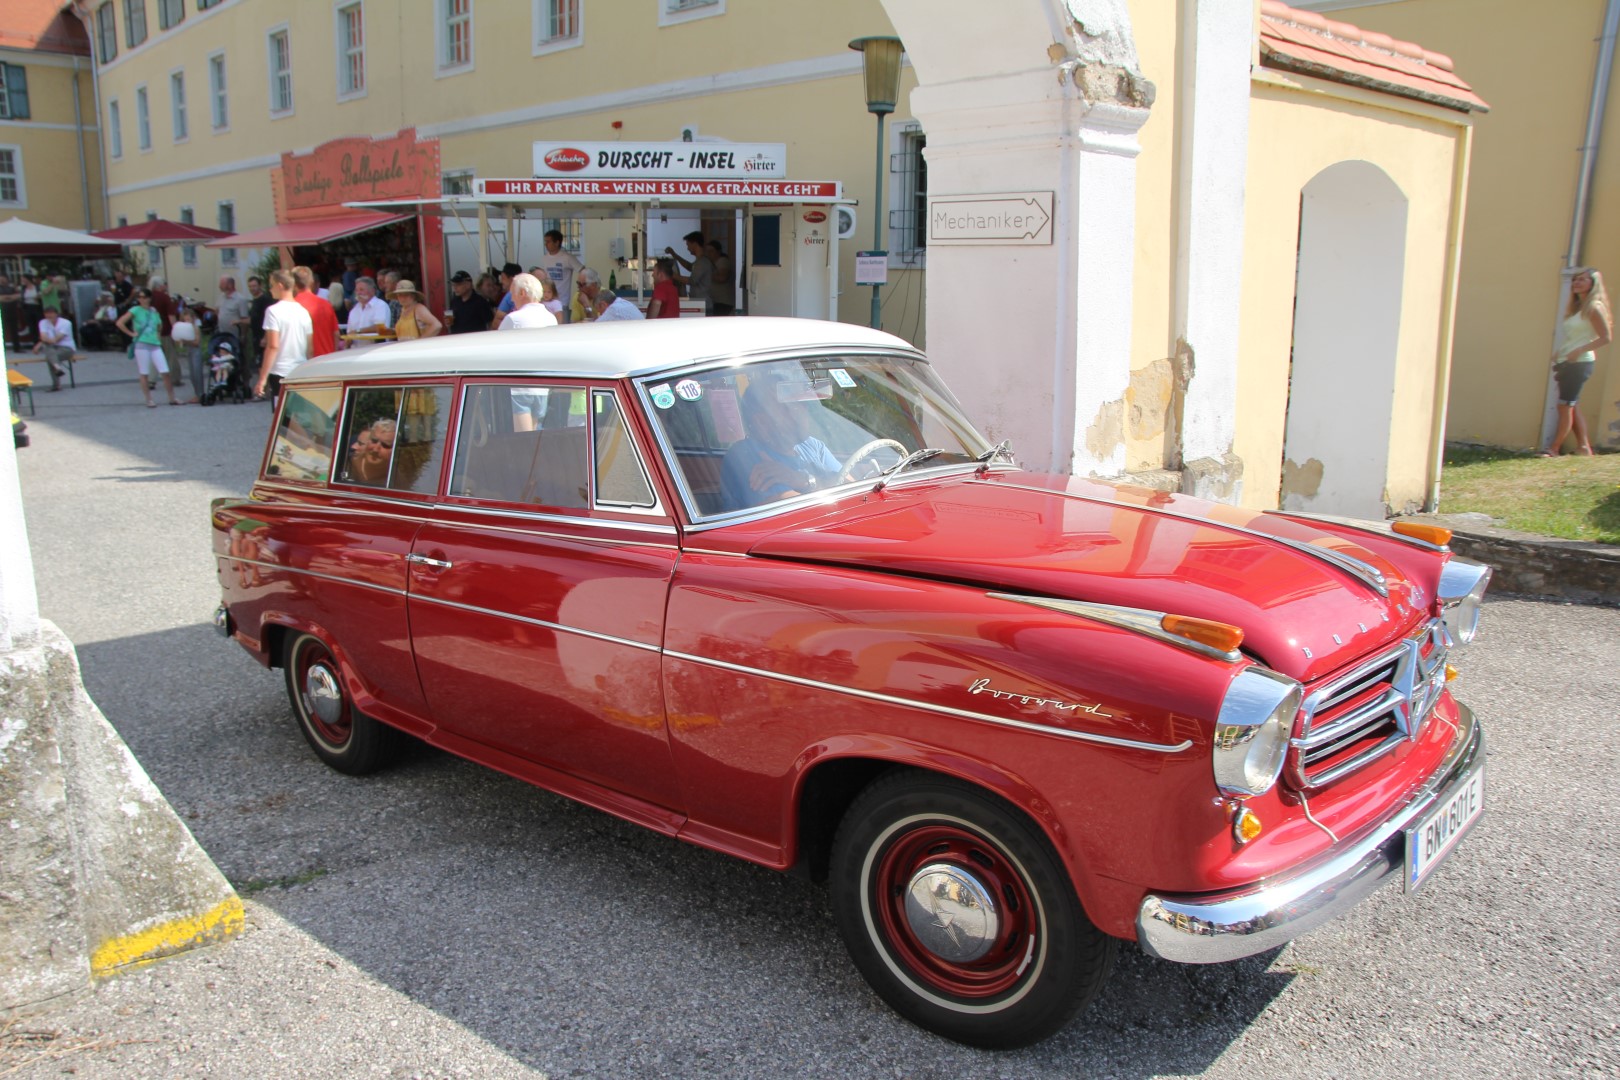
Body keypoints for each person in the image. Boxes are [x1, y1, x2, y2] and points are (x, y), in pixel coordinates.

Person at [720, 374, 844, 508]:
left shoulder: (812, 445)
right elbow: (802, 513)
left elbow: (848, 482)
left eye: (799, 403)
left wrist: (804, 481)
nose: (801, 410)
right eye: (787, 407)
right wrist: (823, 483)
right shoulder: (745, 456)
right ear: (761, 421)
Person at [1540, 267, 1613, 457]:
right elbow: (1576, 336)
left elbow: (1606, 337)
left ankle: (1554, 449)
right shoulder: (1577, 308)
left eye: (1582, 279)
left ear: (1593, 284)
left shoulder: (1594, 307)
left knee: (1564, 406)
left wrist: (1579, 351)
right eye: (1575, 280)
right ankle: (1583, 447)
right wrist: (1561, 352)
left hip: (1580, 363)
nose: (1577, 283)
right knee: (1572, 404)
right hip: (1567, 361)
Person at [254, 269, 314, 400]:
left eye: (271, 285)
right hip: (300, 370)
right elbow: (310, 349)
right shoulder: (303, 312)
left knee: (281, 415)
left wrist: (262, 379)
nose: (270, 289)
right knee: (298, 415)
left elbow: (273, 346)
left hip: (281, 371)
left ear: (280, 285)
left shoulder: (273, 311)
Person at [115, 288, 180, 407]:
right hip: (142, 344)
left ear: (149, 298)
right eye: (139, 297)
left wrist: (158, 336)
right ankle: (149, 399)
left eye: (144, 297)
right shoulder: (135, 310)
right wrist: (131, 334)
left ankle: (172, 397)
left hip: (155, 344)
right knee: (144, 372)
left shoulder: (154, 311)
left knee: (165, 371)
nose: (141, 299)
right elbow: (120, 322)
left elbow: (159, 325)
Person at [292, 266, 341, 357]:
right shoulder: (326, 304)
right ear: (311, 282)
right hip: (327, 360)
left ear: (293, 283)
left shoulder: (291, 306)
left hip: (303, 363)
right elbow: (336, 334)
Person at [535, 229, 583, 323]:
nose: (546, 244)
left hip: (562, 302)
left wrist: (581, 286)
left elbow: (582, 270)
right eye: (545, 241)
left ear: (557, 242)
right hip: (546, 301)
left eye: (548, 241)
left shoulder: (567, 257)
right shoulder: (544, 258)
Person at [666, 231, 714, 314]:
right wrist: (674, 255)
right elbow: (689, 267)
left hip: (704, 305)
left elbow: (692, 281)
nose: (687, 248)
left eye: (688, 245)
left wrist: (671, 274)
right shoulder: (699, 262)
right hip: (700, 304)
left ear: (694, 244)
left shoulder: (703, 262)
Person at [32, 306, 75, 391]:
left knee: (50, 356)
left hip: (66, 348)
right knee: (50, 353)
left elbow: (56, 339)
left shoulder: (66, 323)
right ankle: (57, 368)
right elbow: (43, 337)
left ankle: (56, 384)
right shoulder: (43, 322)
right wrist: (43, 341)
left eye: (51, 313)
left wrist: (42, 342)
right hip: (52, 347)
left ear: (56, 314)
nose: (49, 315)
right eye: (47, 313)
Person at [446, 269, 492, 335]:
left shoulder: (480, 302)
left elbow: (490, 323)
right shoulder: (454, 301)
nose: (455, 288)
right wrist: (448, 322)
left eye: (458, 284)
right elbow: (449, 321)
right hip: (456, 340)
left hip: (475, 341)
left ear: (468, 284)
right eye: (453, 285)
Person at [216, 276, 250, 353]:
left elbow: (244, 318)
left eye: (222, 284)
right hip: (222, 334)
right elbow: (217, 310)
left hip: (234, 336)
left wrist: (243, 336)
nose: (219, 286)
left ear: (230, 285)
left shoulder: (240, 299)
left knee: (235, 356)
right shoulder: (221, 297)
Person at [246, 275, 271, 369]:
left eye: (254, 286)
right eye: (250, 286)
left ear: (260, 286)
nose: (252, 288)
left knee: (265, 365)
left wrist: (265, 337)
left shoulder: (265, 300)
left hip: (264, 339)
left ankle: (265, 384)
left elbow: (270, 320)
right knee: (259, 364)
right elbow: (253, 320)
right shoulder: (254, 301)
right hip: (256, 338)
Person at [705, 239, 736, 316]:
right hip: (716, 302)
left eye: (711, 251)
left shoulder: (723, 261)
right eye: (707, 251)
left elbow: (722, 278)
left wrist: (705, 275)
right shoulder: (711, 263)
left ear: (718, 252)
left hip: (724, 302)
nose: (708, 253)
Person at [491, 261, 523, 328]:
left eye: (503, 278)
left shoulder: (510, 295)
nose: (501, 282)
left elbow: (496, 323)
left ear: (511, 279)